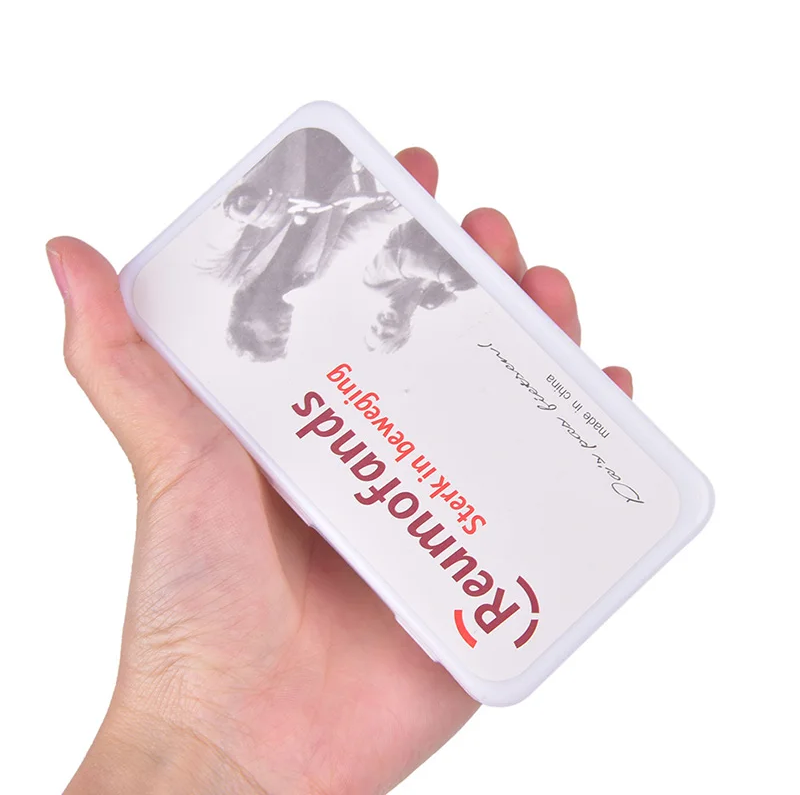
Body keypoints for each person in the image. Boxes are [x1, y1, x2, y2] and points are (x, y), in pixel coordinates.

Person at [47, 147, 633, 795]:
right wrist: (212, 745)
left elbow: (319, 200)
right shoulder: (346, 299)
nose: (282, 324)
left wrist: (202, 739)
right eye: (281, 335)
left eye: (270, 331)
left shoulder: (271, 272)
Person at [211, 128, 400, 362]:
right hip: (345, 150)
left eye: (274, 340)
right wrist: (397, 204)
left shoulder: (230, 269)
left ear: (245, 324)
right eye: (285, 339)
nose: (285, 333)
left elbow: (225, 205)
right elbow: (353, 229)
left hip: (296, 133)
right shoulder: (310, 275)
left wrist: (236, 207)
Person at [363, 218, 478, 353]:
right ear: (406, 334)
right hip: (471, 232)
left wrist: (447, 275)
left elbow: (406, 260)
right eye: (387, 335)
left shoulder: (374, 282)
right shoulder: (435, 300)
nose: (382, 326)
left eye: (374, 328)